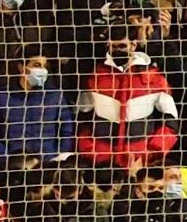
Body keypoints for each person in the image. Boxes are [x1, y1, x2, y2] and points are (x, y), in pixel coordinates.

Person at [76, 27, 179, 168]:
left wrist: (152, 152)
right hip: (101, 162)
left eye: (122, 46)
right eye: (113, 46)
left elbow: (171, 122)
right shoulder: (94, 79)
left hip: (141, 162)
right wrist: (91, 151)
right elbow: (82, 120)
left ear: (133, 45)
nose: (117, 50)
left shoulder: (155, 79)